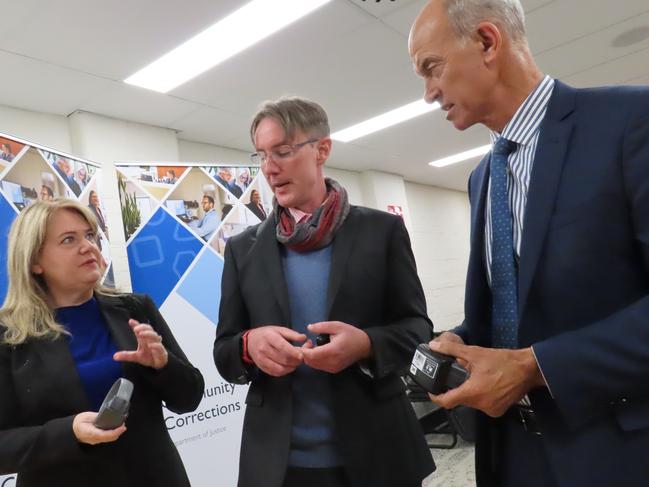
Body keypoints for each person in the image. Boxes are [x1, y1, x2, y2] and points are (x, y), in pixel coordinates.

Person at [408, 1, 649, 486]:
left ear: (487, 41)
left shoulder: (630, 121)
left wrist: (537, 367)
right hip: (510, 456)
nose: (429, 93)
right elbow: (511, 311)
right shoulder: (481, 178)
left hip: (612, 453)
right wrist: (461, 339)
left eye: (431, 69)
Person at [213, 97, 435, 487]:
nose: (269, 168)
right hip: (281, 465)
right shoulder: (242, 250)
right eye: (262, 156)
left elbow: (418, 328)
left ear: (322, 149)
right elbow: (224, 351)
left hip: (379, 454)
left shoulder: (381, 232)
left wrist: (366, 344)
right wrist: (249, 345)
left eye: (282, 151)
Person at [0, 199, 204, 487]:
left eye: (90, 235)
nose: (88, 246)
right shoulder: (9, 335)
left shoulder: (135, 309)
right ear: (34, 261)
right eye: (69, 240)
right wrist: (68, 432)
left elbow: (189, 397)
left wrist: (162, 365)